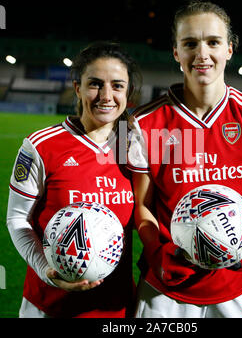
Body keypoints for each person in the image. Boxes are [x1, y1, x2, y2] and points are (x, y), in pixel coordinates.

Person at [127, 0, 242, 318]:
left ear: (229, 49)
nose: (202, 54)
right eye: (190, 43)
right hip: (166, 291)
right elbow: (141, 204)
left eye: (213, 42)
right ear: (176, 52)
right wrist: (156, 251)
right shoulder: (145, 122)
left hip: (237, 286)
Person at [6, 41, 142, 318]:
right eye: (95, 84)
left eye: (117, 85)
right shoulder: (42, 146)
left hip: (115, 307)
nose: (106, 95)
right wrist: (47, 272)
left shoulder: (136, 147)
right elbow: (17, 219)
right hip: (50, 306)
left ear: (127, 92)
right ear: (78, 87)